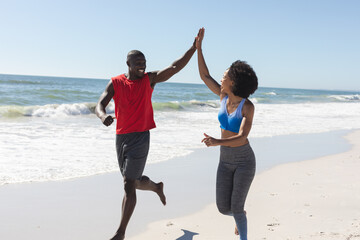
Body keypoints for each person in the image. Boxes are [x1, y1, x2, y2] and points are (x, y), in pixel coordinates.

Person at [95, 32, 198, 240]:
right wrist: (102, 116)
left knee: (127, 184)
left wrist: (193, 48)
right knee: (131, 182)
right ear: (128, 63)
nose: (142, 66)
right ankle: (156, 187)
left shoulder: (150, 80)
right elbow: (99, 104)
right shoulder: (115, 82)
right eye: (138, 63)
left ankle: (120, 232)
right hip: (121, 137)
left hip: (141, 137)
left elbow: (175, 67)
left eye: (144, 62)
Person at [196, 27, 258, 239]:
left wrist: (216, 141)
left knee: (237, 208)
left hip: (244, 161)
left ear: (233, 81)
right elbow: (205, 75)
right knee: (224, 208)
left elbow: (242, 137)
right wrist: (199, 48)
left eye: (226, 73)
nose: (222, 75)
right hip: (225, 161)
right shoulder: (223, 97)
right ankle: (240, 215)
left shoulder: (247, 107)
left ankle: (242, 226)